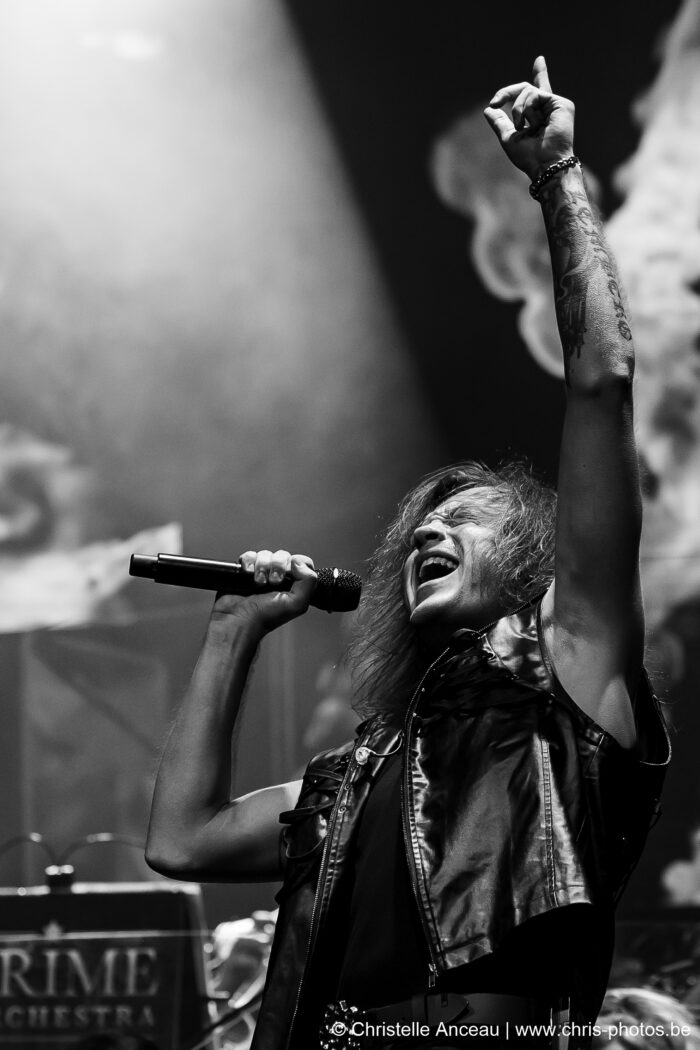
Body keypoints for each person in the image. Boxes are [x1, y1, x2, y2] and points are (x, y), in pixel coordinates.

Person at [145, 57, 670, 1050]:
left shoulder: (570, 670)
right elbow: (182, 841)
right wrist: (234, 629)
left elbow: (601, 382)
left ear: (533, 562)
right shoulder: (357, 773)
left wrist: (556, 177)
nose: (430, 531)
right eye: (424, 526)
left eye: (466, 518)